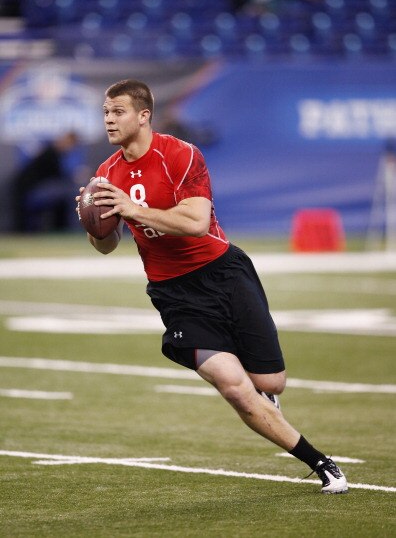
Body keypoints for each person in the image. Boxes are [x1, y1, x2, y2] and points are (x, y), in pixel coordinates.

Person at [76, 79, 348, 494]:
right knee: (234, 387)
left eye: (118, 112)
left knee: (271, 383)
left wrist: (134, 208)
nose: (109, 120)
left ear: (144, 115)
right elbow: (107, 246)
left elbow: (196, 223)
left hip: (222, 272)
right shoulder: (107, 173)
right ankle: (321, 463)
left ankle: (266, 396)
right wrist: (94, 220)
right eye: (105, 112)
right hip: (174, 293)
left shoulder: (180, 154)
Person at [12, 130, 87, 232]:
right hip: (29, 193)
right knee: (68, 192)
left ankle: (65, 227)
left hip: (31, 190)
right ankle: (71, 228)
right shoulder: (51, 153)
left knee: (65, 192)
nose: (70, 147)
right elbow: (58, 177)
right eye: (70, 143)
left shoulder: (54, 153)